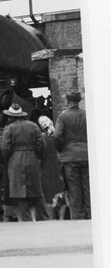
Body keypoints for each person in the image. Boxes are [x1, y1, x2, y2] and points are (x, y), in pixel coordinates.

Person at [1, 103, 46, 222]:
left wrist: (9, 159)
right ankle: (44, 219)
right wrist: (37, 157)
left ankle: (25, 221)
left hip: (15, 160)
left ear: (11, 116)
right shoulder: (33, 126)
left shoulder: (9, 128)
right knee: (36, 191)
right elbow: (41, 144)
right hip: (32, 158)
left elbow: (5, 148)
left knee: (19, 193)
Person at [54, 91, 90, 219]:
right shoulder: (87, 115)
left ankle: (78, 219)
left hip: (69, 157)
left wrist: (61, 149)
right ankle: (90, 217)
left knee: (74, 190)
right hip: (86, 155)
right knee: (88, 188)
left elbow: (57, 135)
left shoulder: (63, 117)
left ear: (67, 101)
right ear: (79, 101)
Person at [37, 115, 64, 219]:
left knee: (48, 194)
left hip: (45, 168)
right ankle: (61, 218)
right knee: (60, 191)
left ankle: (51, 219)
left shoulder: (41, 138)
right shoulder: (59, 137)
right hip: (59, 167)